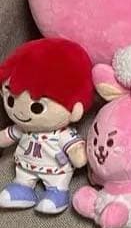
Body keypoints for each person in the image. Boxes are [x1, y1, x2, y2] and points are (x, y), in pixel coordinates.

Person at [0, 39, 94, 214]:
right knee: (22, 178)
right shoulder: (22, 128)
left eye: (37, 107)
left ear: (75, 110)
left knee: (57, 184)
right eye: (11, 100)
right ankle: (22, 187)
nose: (20, 113)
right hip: (25, 166)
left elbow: (76, 151)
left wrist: (78, 153)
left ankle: (57, 193)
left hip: (56, 170)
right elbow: (6, 136)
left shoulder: (62, 134)